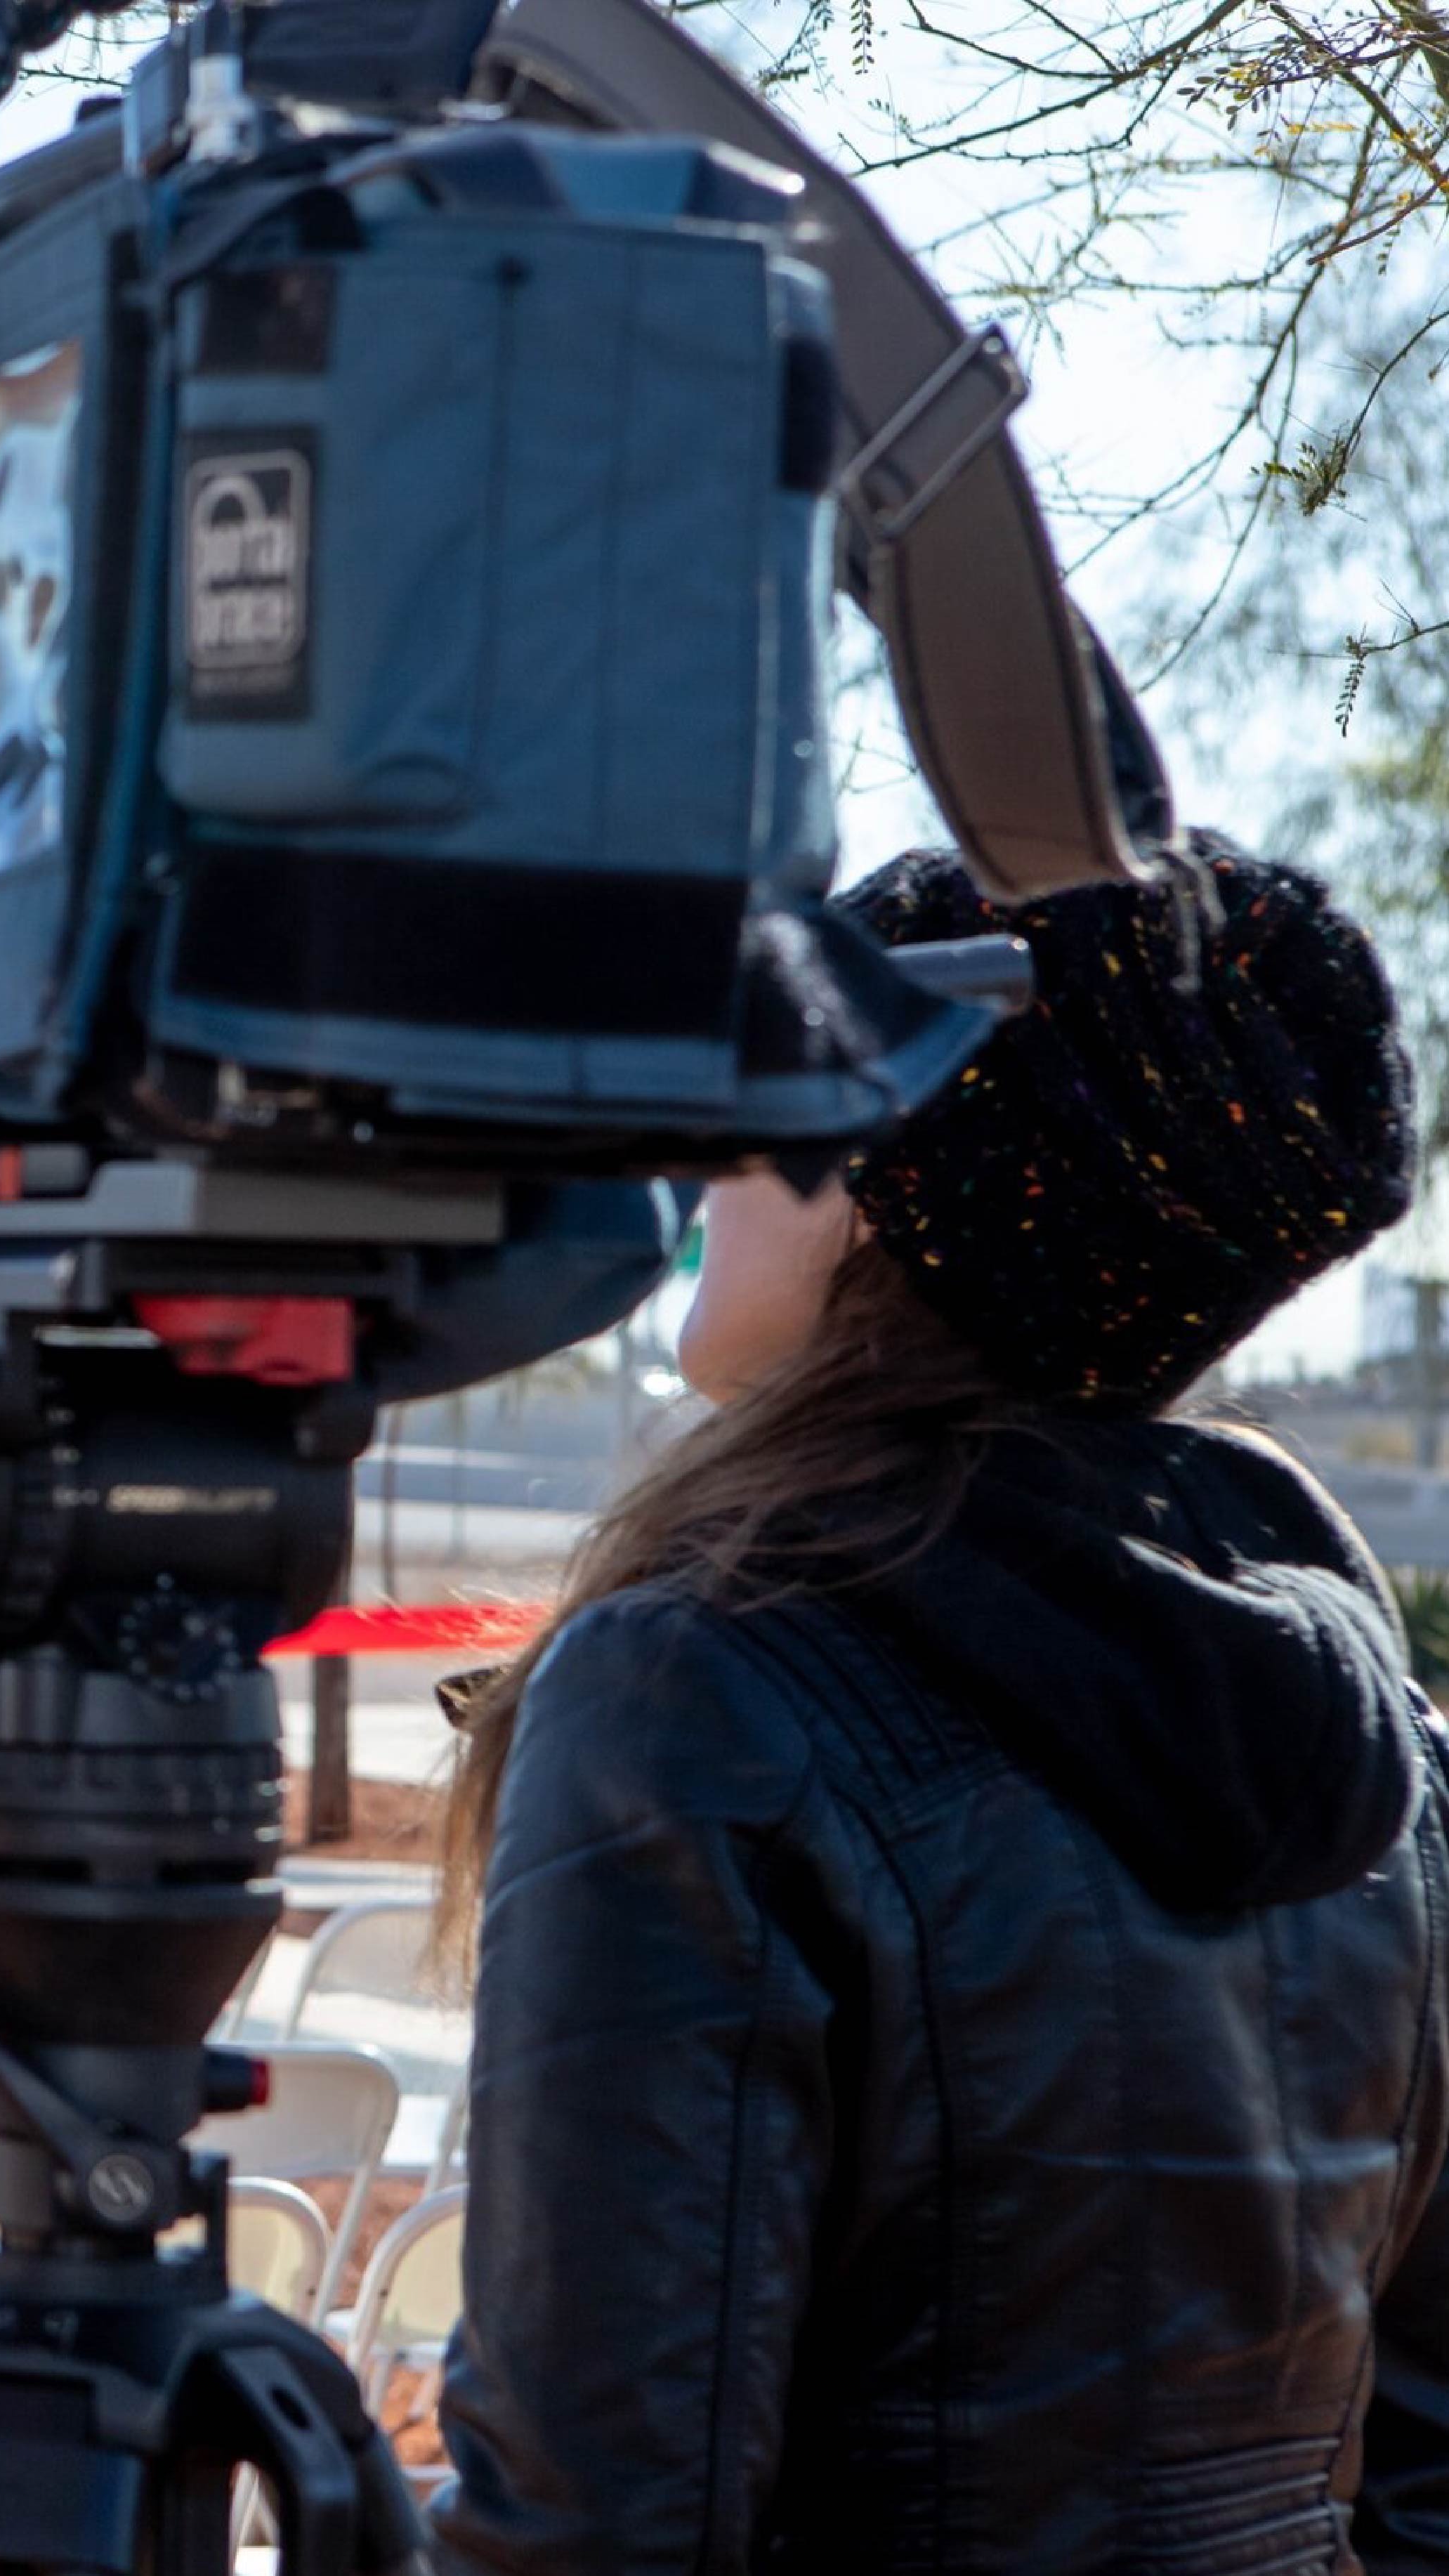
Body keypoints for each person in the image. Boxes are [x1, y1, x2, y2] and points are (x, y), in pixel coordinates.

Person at [431, 830, 1449, 2570]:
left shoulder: (694, 1689)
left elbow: (594, 2517)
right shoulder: (1393, 1754)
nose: (708, 1150)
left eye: (775, 1079)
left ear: (913, 1176)